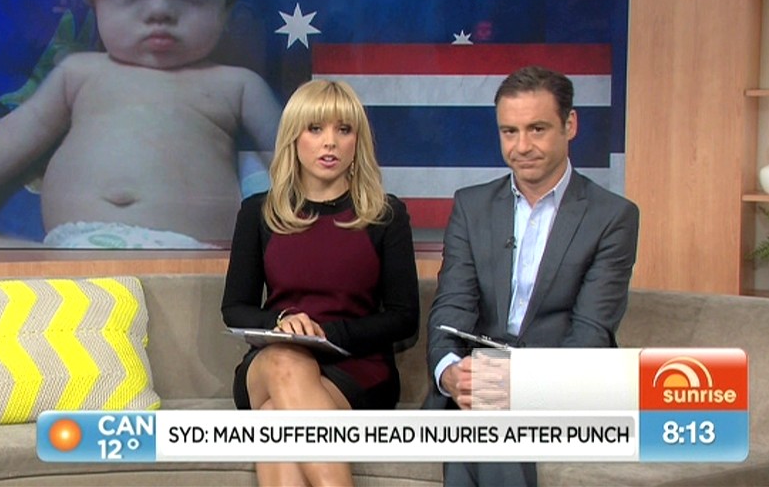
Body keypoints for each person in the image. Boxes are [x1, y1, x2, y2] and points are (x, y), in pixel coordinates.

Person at [0, 0, 281, 248]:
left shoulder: (237, 85)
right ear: (94, 2)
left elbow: (294, 159)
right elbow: (11, 138)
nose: (159, 10)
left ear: (226, 5)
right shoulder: (79, 73)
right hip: (74, 252)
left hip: (193, 257)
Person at [423, 66, 640, 486]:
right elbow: (451, 309)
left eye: (537, 129)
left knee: (487, 423)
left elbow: (591, 333)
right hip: (477, 385)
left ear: (569, 125)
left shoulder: (612, 217)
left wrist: (520, 384)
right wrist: (449, 371)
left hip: (561, 386)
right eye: (510, 132)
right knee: (484, 413)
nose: (522, 146)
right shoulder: (471, 206)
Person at [221, 79, 420, 486]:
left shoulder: (386, 215)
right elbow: (235, 308)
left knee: (274, 419)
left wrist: (329, 335)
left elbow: (404, 318)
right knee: (285, 360)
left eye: (343, 130)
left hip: (358, 370)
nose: (330, 142)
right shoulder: (258, 213)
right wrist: (281, 322)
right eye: (315, 129)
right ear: (294, 137)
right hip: (271, 364)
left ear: (356, 142)